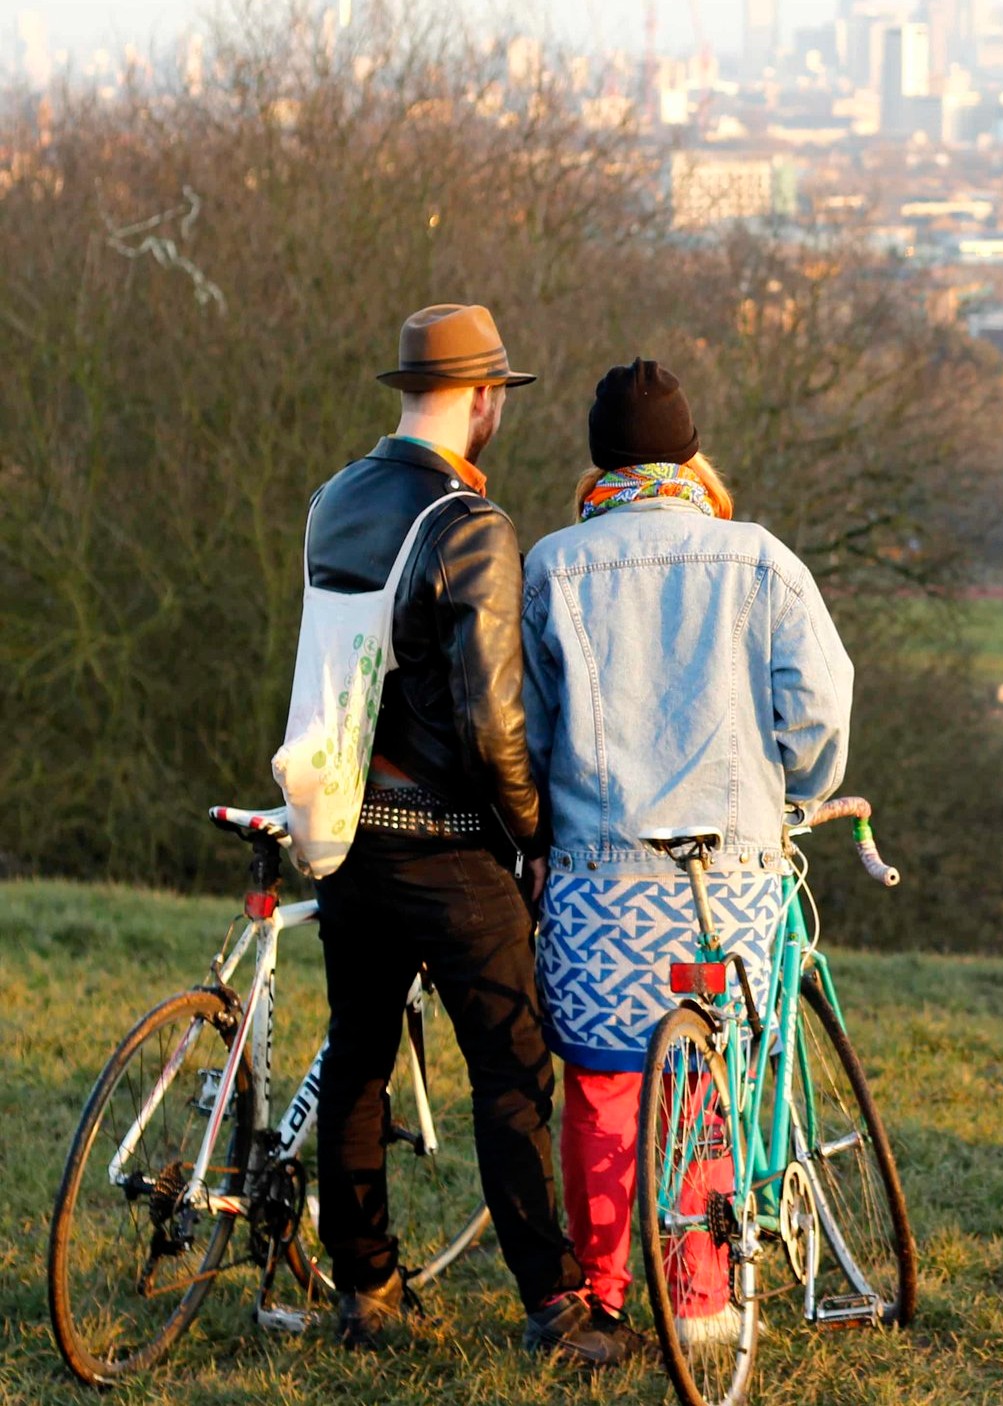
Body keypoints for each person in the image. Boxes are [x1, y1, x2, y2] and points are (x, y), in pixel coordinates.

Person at [304, 305, 629, 1362]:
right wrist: (531, 829)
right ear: (485, 400)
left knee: (357, 1055)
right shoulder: (472, 526)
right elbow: (493, 719)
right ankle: (554, 1304)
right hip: (449, 845)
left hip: (350, 827)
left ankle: (366, 1287)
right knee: (510, 1068)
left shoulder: (333, 500)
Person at [524, 360, 855, 1349]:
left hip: (596, 879)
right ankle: (705, 1294)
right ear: (689, 451)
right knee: (709, 1071)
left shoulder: (551, 566)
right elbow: (823, 702)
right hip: (733, 877)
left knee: (600, 1083)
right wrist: (790, 789)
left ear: (600, 460)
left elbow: (528, 733)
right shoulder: (761, 560)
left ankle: (607, 1290)